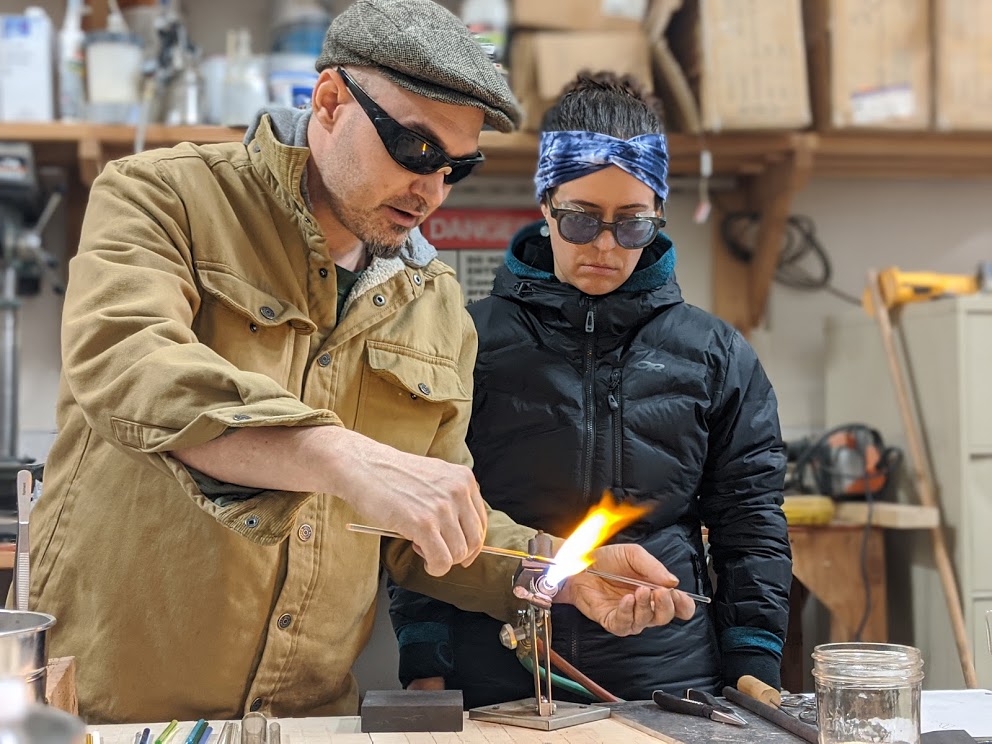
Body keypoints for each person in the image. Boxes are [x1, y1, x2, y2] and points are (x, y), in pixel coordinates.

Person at [22, 3, 696, 724]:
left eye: (455, 167)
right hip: (107, 707)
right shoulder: (165, 196)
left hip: (304, 719)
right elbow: (125, 363)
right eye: (413, 148)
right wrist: (338, 456)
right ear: (331, 102)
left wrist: (560, 574)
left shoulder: (433, 300)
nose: (431, 189)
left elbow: (425, 531)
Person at [388, 72, 793, 706]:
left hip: (665, 675)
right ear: (545, 204)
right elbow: (423, 507)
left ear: (658, 216)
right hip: (496, 668)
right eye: (581, 221)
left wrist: (755, 661)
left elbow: (750, 522)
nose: (605, 246)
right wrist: (424, 658)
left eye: (632, 226)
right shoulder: (465, 338)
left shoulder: (716, 354)